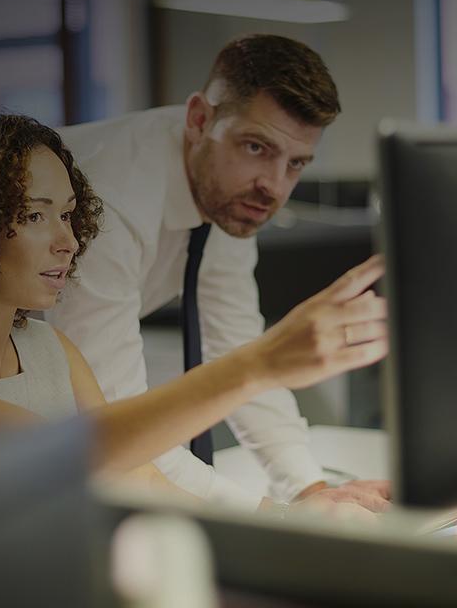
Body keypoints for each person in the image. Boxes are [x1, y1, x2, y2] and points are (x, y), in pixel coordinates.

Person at [0, 103, 387, 513]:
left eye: (69, 214)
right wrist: (259, 364)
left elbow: (139, 477)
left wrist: (289, 520)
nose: (69, 242)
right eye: (35, 215)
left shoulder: (50, 349)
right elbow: (81, 456)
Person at [47, 33, 389, 510]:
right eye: (256, 148)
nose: (273, 186)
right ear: (199, 119)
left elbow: (236, 346)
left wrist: (309, 489)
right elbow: (123, 426)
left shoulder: (231, 196)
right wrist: (272, 519)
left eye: (296, 164)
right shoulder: (106, 205)